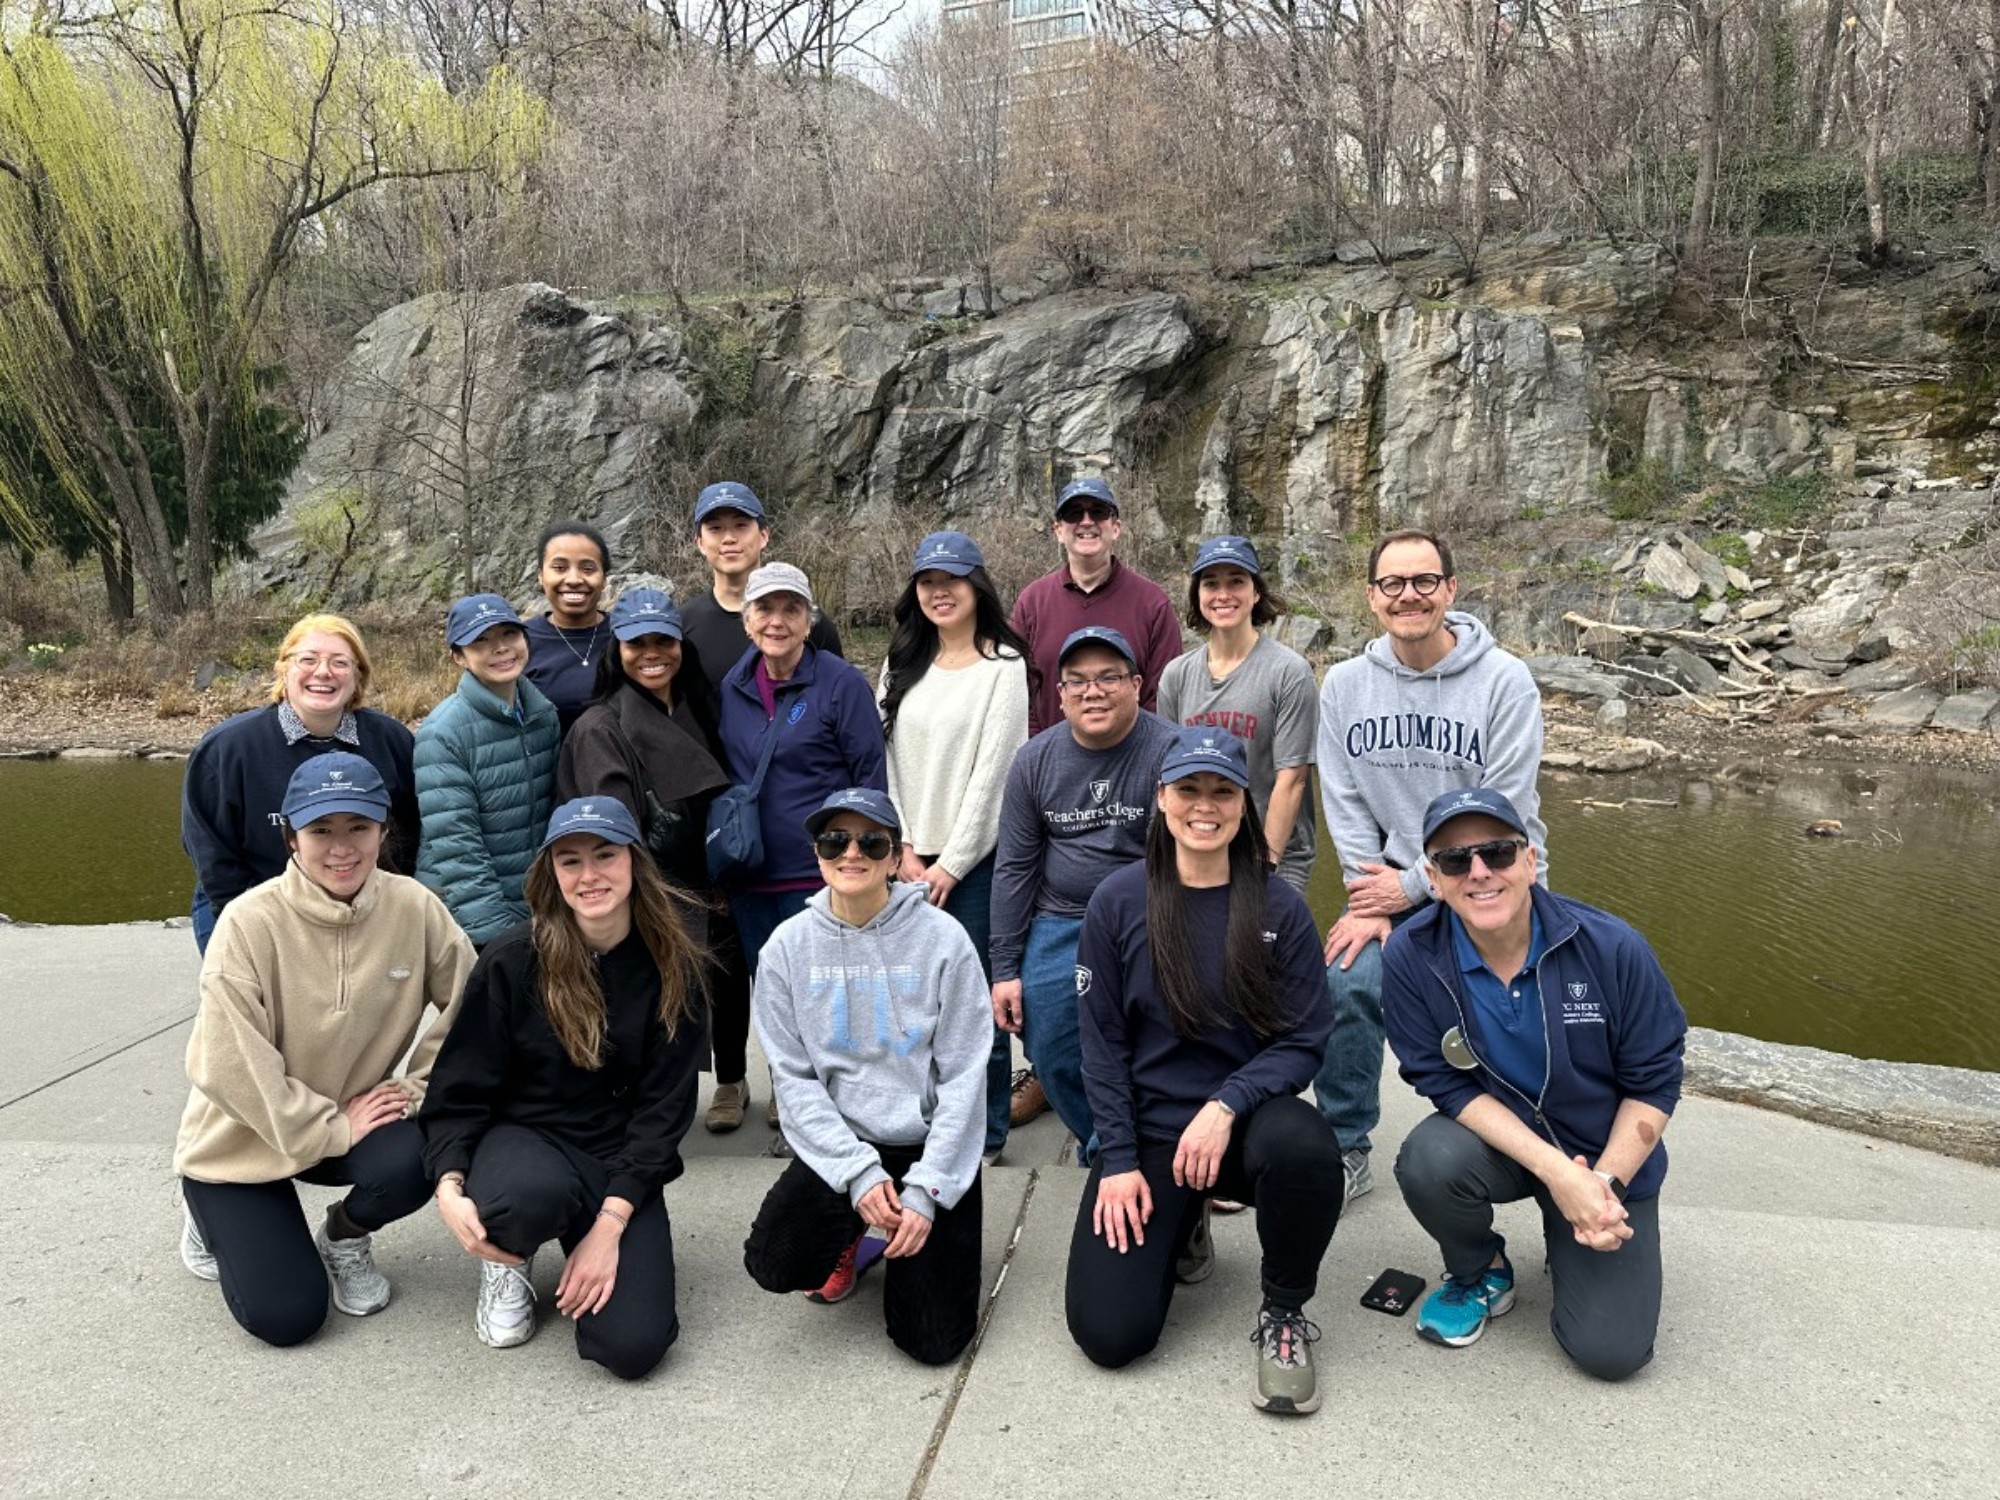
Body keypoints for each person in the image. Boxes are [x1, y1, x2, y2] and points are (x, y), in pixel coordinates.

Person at [1065, 728, 1341, 1416]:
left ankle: (1283, 1310)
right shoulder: (1118, 902)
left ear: (1244, 803)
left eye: (1222, 790)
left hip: (1244, 1130)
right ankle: (1181, 1218)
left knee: (1305, 1147)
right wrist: (1120, 1158)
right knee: (1111, 1336)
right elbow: (1100, 1045)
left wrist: (1227, 1105)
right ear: (1161, 798)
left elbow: (1305, 1040)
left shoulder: (1279, 907)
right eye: (1188, 788)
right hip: (1153, 1138)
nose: (1205, 805)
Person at [1383, 787, 1685, 1379]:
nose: (1478, 873)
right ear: (1432, 878)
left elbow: (1654, 1084)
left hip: (1607, 1163)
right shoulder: (1410, 957)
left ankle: (1573, 1233)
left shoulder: (1612, 947)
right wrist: (1556, 1173)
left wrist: (1598, 1189)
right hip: (1511, 1151)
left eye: (1496, 853)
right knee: (1428, 1159)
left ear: (1530, 859)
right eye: (1454, 860)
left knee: (1612, 1354)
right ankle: (1480, 1269)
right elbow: (1445, 1085)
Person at [174, 753, 474, 1347]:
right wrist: (330, 1126)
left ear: (385, 829)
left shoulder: (415, 907)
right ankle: (205, 1216)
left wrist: (416, 1087)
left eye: (358, 827)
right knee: (288, 1318)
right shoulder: (246, 923)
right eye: (320, 830)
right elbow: (229, 1064)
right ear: (290, 836)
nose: (342, 848)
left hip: (354, 1124)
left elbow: (475, 1008)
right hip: (243, 1138)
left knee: (417, 1154)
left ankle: (342, 1236)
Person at [421, 797, 708, 1379]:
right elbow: (459, 1088)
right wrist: (448, 1184)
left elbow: (665, 1111)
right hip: (525, 1143)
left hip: (618, 1156)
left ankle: (589, 1226)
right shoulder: (511, 960)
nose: (589, 875)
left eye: (605, 855)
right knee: (523, 1197)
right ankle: (510, 1259)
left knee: (633, 1348)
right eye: (570, 861)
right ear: (551, 872)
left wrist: (610, 1225)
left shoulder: (677, 966)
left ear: (635, 863)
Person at [1314, 528, 1547, 1210]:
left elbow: (1504, 810)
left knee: (1512, 1007)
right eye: (1393, 583)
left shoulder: (1504, 681)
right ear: (1371, 597)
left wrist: (1411, 887)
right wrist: (1369, 898)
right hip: (1390, 887)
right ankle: (1346, 1143)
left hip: (1494, 877)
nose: (1408, 595)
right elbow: (1346, 800)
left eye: (1424, 581)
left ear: (1450, 589)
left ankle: (1528, 1142)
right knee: (1345, 979)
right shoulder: (1347, 686)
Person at [743, 789, 989, 1360]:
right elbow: (794, 1078)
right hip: (845, 1144)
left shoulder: (944, 940)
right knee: (775, 1263)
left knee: (931, 1343)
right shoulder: (785, 949)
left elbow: (964, 1075)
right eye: (835, 840)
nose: (851, 853)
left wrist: (929, 1189)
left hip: (928, 1144)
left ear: (896, 856)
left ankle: (918, 1225)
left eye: (870, 842)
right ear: (817, 852)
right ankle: (852, 1234)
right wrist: (855, 1174)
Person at [678, 481, 843, 1131]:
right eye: (714, 526)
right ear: (699, 541)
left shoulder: (808, 619)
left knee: (793, 957)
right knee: (724, 956)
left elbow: (831, 703)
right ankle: (730, 1081)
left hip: (795, 812)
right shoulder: (689, 621)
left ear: (763, 535)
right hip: (719, 811)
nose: (728, 537)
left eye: (740, 525)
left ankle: (789, 1079)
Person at [990, 626, 1178, 1152]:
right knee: (1049, 1044)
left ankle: (1156, 1150)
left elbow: (1190, 859)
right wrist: (1004, 968)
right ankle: (1107, 1147)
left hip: (1151, 916)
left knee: (1160, 1045)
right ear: (1059, 694)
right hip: (1061, 919)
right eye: (1077, 682)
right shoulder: (1034, 760)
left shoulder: (1170, 751)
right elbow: (1014, 868)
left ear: (1136, 684)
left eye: (1108, 678)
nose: (1092, 691)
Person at [879, 531, 1031, 1163]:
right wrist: (904, 847)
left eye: (953, 580)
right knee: (909, 1004)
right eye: (927, 582)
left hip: (974, 864)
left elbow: (996, 776)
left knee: (975, 1008)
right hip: (905, 861)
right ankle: (919, 1125)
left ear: (977, 588)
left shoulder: (1004, 667)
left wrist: (951, 863)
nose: (939, 592)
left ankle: (986, 1134)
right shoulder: (900, 664)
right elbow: (882, 760)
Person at [182, 613, 420, 953]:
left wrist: (383, 905)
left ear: (358, 676)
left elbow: (411, 832)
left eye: (340, 662)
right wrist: (270, 924)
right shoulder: (229, 748)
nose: (323, 672)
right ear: (284, 670)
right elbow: (211, 851)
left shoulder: (391, 741)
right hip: (246, 901)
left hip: (360, 903)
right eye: (307, 659)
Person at [1156, 535, 1318, 894]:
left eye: (1236, 581)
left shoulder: (1289, 672)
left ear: (1256, 592)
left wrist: (1265, 867)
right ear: (1198, 595)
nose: (1223, 594)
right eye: (1211, 583)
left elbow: (1292, 780)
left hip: (1274, 855)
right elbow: (1168, 776)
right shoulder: (1177, 676)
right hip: (1200, 847)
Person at [556, 588, 729, 911]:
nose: (652, 653)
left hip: (711, 896)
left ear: (681, 644)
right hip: (651, 904)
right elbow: (613, 839)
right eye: (636, 643)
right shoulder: (599, 731)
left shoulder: (699, 708)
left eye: (663, 641)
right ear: (616, 650)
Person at [414, 593, 561, 947]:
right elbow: (457, 849)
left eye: (509, 634)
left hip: (531, 902)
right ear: (458, 657)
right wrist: (498, 935)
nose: (500, 649)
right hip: (465, 915)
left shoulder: (543, 715)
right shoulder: (443, 733)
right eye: (480, 641)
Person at [1010, 476, 1182, 737]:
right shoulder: (1031, 602)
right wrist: (1040, 752)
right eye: (1074, 513)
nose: (1087, 521)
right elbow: (1019, 694)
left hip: (1131, 765)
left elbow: (1162, 698)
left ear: (1115, 527)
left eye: (1098, 512)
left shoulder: (1152, 603)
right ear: (1058, 530)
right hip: (1051, 767)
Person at [521, 520, 614, 735]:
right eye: (559, 568)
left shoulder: (627, 636)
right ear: (541, 576)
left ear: (604, 579)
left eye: (588, 568)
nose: (573, 579)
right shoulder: (520, 642)